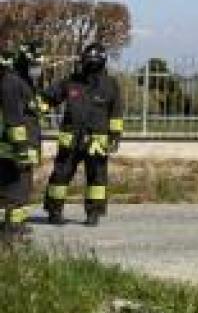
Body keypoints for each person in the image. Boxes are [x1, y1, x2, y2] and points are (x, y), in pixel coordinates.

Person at [43, 42, 124, 226]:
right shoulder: (71, 81)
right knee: (60, 176)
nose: (87, 65)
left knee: (97, 179)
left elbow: (116, 113)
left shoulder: (110, 85)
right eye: (86, 61)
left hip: (96, 142)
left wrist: (115, 136)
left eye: (91, 61)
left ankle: (93, 213)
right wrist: (35, 107)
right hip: (71, 140)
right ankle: (54, 211)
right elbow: (50, 97)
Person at [0, 43, 44, 240]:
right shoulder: (12, 82)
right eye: (34, 64)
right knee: (14, 192)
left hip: (25, 147)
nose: (37, 68)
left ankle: (17, 226)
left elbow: (27, 112)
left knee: (23, 189)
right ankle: (10, 233)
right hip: (14, 149)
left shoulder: (24, 81)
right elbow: (13, 119)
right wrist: (21, 147)